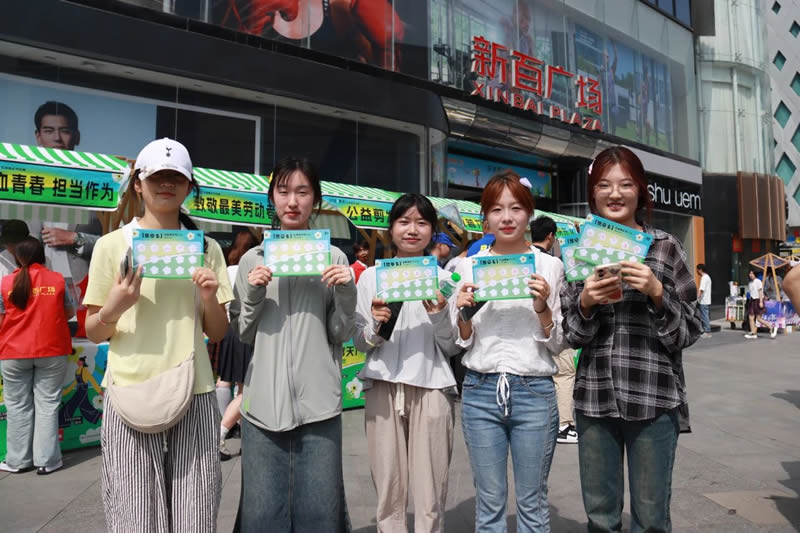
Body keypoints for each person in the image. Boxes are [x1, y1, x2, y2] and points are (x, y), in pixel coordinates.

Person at [83, 138, 233, 531]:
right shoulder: (111, 246)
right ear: (138, 183)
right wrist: (115, 305)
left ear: (189, 186)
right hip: (128, 390)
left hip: (195, 388)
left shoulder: (207, 249)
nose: (166, 184)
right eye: (156, 177)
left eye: (176, 178)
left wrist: (209, 298)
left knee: (195, 515)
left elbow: (218, 331)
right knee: (134, 516)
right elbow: (94, 329)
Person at [561, 146, 704, 533]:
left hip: (653, 398)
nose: (615, 193)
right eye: (604, 185)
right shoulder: (579, 250)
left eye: (626, 184)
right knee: (600, 518)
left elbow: (691, 329)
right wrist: (586, 303)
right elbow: (571, 335)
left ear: (641, 190)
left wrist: (657, 292)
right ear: (593, 193)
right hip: (595, 400)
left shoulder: (664, 247)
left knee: (651, 518)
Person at [230, 157, 357, 532]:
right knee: (262, 517)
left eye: (302, 192)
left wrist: (346, 292)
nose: (292, 201)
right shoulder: (252, 260)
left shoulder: (333, 258)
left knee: (320, 516)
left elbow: (339, 333)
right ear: (272, 197)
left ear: (315, 199)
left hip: (319, 409)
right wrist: (254, 292)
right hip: (261, 410)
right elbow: (243, 333)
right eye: (283, 191)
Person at [454, 170, 564, 531]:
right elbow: (462, 339)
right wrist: (464, 313)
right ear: (484, 217)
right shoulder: (468, 267)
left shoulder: (550, 267)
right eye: (497, 209)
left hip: (535, 392)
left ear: (529, 214)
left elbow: (558, 342)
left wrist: (542, 307)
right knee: (489, 504)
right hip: (480, 391)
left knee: (532, 502)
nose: (506, 217)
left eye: (516, 208)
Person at [354, 194, 460, 533]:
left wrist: (439, 314)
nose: (412, 230)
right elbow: (360, 342)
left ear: (432, 231)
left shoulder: (445, 281)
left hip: (432, 386)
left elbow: (452, 345)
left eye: (421, 223)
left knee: (431, 491)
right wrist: (375, 324)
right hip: (382, 386)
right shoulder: (370, 278)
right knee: (388, 489)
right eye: (404, 222)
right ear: (391, 229)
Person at [0, 237, 74, 475]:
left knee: (17, 406)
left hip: (13, 351)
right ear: (42, 256)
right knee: (47, 404)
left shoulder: (5, 282)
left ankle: (17, 461)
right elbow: (69, 312)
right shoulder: (57, 280)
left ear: (16, 258)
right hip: (52, 349)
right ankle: (47, 460)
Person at [531, 215, 578, 444]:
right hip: (552, 327)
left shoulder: (523, 260)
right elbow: (564, 297)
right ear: (551, 236)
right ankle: (564, 425)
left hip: (529, 333)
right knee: (565, 374)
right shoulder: (555, 264)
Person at [215, 230, 259, 460]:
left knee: (224, 380)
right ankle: (222, 431)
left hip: (228, 330)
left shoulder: (227, 269)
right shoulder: (252, 269)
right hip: (245, 330)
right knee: (247, 388)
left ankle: (235, 429)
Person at [58, 355, 103, 429]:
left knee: (71, 405)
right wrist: (65, 392)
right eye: (78, 361)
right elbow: (74, 383)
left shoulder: (85, 370)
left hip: (83, 391)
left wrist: (99, 391)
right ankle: (102, 416)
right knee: (85, 407)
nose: (77, 362)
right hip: (79, 390)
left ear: (82, 362)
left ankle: (63, 422)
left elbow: (92, 380)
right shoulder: (77, 371)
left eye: (79, 361)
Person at [745, 269, 777, 339]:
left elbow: (760, 292)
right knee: (751, 317)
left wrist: (761, 301)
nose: (750, 275)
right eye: (750, 273)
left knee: (759, 319)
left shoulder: (758, 281)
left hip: (758, 300)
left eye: (752, 273)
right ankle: (753, 333)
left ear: (755, 274)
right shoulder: (750, 283)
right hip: (752, 300)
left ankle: (771, 328)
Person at [697, 263, 713, 338]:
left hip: (703, 300)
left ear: (700, 270)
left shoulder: (704, 278)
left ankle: (707, 332)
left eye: (697, 270)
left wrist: (697, 298)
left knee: (704, 316)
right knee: (705, 315)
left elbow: (701, 290)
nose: (696, 271)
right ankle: (706, 330)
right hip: (706, 300)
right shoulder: (708, 277)